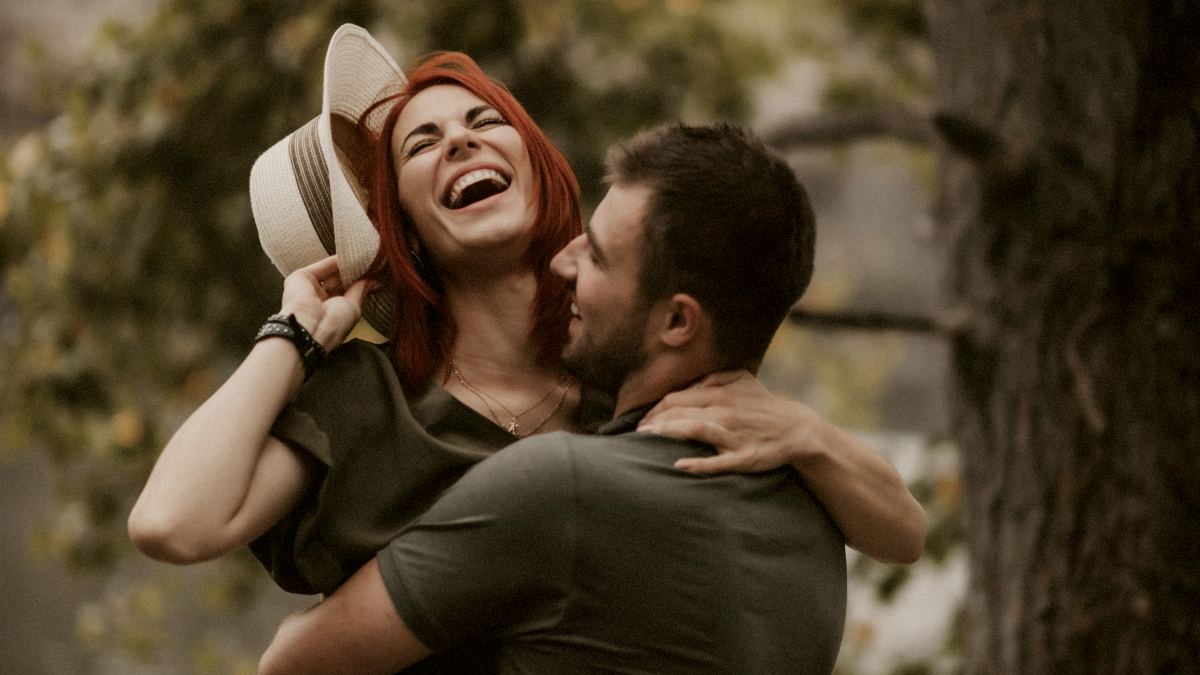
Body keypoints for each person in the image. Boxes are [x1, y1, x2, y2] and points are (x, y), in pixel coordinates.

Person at [128, 25, 921, 668]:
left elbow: (902, 532)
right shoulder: (372, 398)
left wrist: (810, 435)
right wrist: (294, 332)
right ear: (397, 227)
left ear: (535, 167)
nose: (460, 145)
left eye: (482, 123)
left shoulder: (629, 369)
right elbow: (172, 523)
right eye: (422, 145)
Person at [259, 122, 848, 674]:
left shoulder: (560, 487)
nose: (563, 261)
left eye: (595, 254)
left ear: (676, 323)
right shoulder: (819, 514)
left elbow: (291, 662)